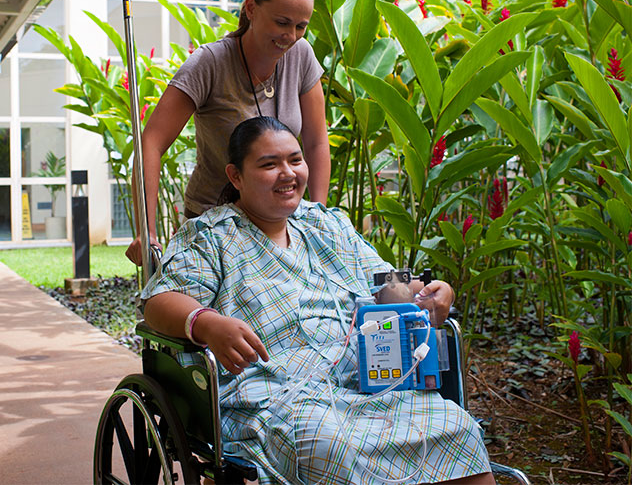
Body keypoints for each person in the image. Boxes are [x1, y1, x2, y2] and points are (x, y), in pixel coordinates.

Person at [142, 117, 494, 485]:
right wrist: (207, 323)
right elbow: (158, 301)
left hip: (363, 383)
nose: (287, 173)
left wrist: (431, 293)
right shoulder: (210, 235)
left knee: (458, 428)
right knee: (332, 447)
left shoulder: (328, 225)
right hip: (273, 398)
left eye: (295, 160)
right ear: (236, 176)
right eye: (269, 164)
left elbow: (388, 288)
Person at [125, 0, 329, 265]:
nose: (291, 36)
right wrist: (147, 230)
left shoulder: (301, 55)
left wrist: (316, 214)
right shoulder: (209, 63)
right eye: (282, 22)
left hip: (278, 224)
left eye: (301, 26)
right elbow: (151, 142)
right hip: (214, 225)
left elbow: (315, 141)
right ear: (251, 8)